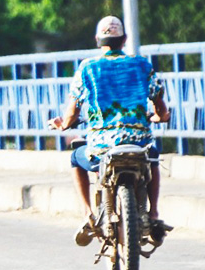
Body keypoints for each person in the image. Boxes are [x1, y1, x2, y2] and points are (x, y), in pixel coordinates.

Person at [49, 16, 171, 246]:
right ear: (124, 40)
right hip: (138, 143)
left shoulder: (88, 68)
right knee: (152, 156)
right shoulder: (142, 65)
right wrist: (161, 116)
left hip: (102, 146)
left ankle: (88, 214)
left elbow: (72, 113)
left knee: (75, 158)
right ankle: (153, 213)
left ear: (98, 40)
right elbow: (160, 108)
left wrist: (63, 124)